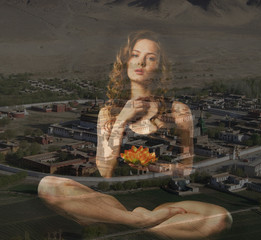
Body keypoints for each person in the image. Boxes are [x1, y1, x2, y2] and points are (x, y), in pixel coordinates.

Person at [38, 30, 232, 239]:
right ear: (125, 63)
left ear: (159, 68)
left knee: (222, 218)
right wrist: (121, 120)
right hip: (107, 202)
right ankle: (137, 222)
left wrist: (155, 167)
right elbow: (105, 171)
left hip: (161, 204)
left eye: (150, 58)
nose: (141, 63)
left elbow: (186, 168)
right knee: (48, 185)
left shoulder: (178, 111)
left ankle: (137, 222)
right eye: (135, 55)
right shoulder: (108, 113)